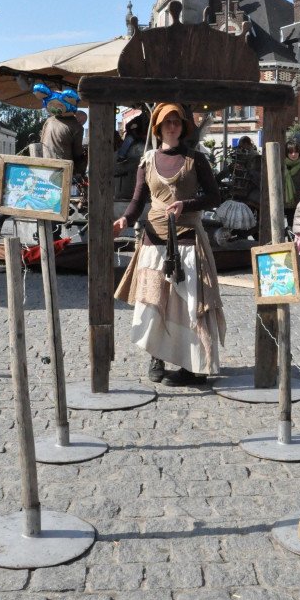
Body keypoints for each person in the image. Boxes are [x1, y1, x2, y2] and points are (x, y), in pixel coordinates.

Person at [113, 103, 226, 387]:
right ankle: (156, 357)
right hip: (154, 242)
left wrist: (186, 204)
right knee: (153, 302)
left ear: (183, 127)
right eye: (167, 122)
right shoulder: (147, 160)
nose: (172, 127)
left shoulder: (195, 159)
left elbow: (214, 196)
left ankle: (193, 365)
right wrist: (125, 219)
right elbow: (139, 200)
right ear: (159, 128)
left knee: (187, 305)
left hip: (187, 239)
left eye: (176, 122)